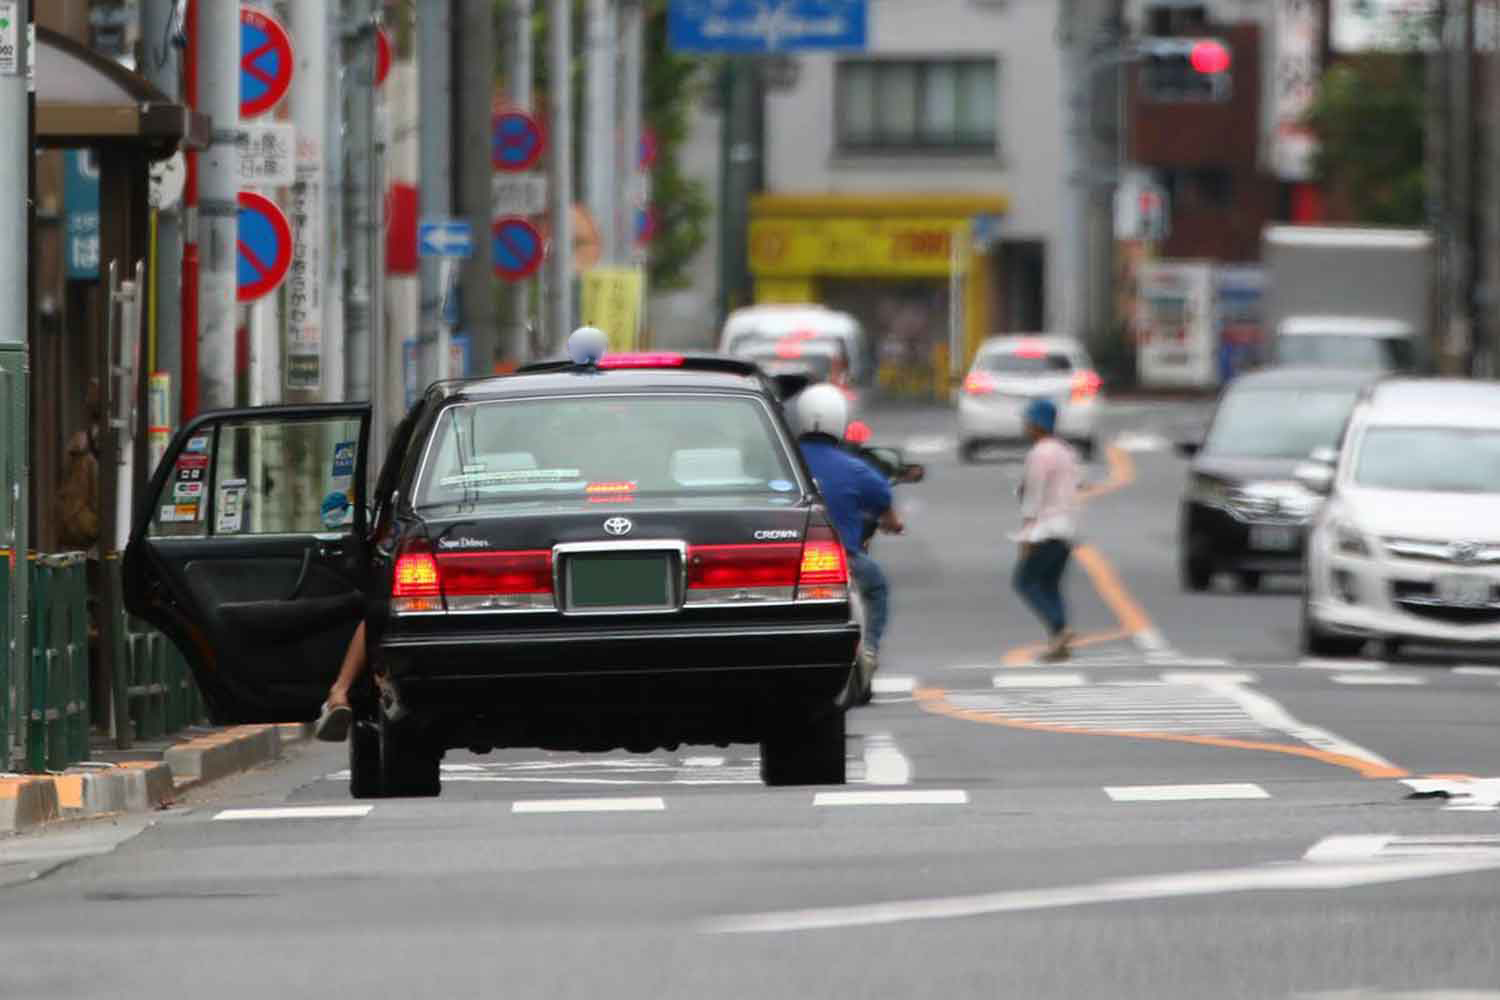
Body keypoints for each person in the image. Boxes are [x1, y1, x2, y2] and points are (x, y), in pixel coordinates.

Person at [795, 384, 903, 673]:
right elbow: (883, 496)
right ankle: (868, 648)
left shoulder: (784, 460)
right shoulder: (852, 467)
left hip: (791, 562)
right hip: (843, 560)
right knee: (876, 586)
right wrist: (892, 521)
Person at [1012, 398, 1081, 662]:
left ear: (1038, 424)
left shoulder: (1040, 453)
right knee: (1050, 585)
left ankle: (1060, 628)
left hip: (1046, 529)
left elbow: (1034, 495)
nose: (1026, 426)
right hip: (1067, 528)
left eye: (1029, 421)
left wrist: (1027, 532)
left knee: (1025, 582)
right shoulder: (1066, 451)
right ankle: (1059, 640)